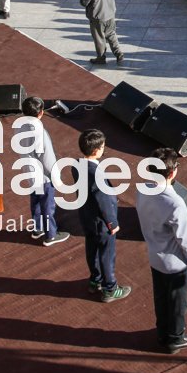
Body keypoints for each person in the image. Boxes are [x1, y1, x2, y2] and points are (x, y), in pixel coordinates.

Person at [136, 148, 187, 353]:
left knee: (161, 298)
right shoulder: (175, 204)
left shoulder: (141, 190)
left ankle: (162, 332)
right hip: (175, 263)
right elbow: (184, 237)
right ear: (172, 173)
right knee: (178, 303)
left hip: (155, 256)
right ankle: (175, 338)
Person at [77, 129, 128, 301]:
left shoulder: (77, 165)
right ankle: (110, 288)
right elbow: (104, 201)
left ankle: (95, 280)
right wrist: (112, 223)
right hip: (101, 222)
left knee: (92, 250)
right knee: (106, 253)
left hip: (87, 218)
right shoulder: (96, 173)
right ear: (96, 150)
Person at [17, 96, 68, 246]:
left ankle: (37, 229)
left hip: (29, 171)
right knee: (47, 205)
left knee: (35, 202)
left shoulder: (19, 126)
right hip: (43, 176)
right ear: (40, 113)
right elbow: (47, 157)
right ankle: (51, 235)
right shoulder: (39, 131)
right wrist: (56, 177)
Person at [80, 0, 124, 66]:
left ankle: (101, 58)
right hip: (109, 13)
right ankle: (119, 53)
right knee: (111, 34)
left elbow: (84, 3)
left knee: (99, 38)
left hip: (98, 17)